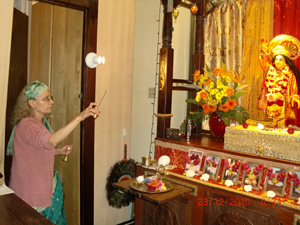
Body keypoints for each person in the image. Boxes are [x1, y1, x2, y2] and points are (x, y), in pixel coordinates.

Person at [6, 80, 100, 224]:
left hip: (42, 185)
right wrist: (79, 117)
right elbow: (51, 141)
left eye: (51, 97)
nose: (51, 102)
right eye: (46, 99)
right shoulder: (27, 125)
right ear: (32, 103)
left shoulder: (40, 122)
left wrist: (58, 151)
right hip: (31, 192)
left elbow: (36, 150)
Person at [258, 34, 300, 127]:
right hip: (271, 99)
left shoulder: (289, 73)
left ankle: (281, 123)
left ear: (286, 62)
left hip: (284, 101)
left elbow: (293, 88)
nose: (278, 61)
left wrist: (294, 97)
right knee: (272, 112)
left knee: (282, 117)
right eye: (276, 59)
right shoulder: (270, 70)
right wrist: (264, 51)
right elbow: (264, 62)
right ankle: (274, 122)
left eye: (281, 59)